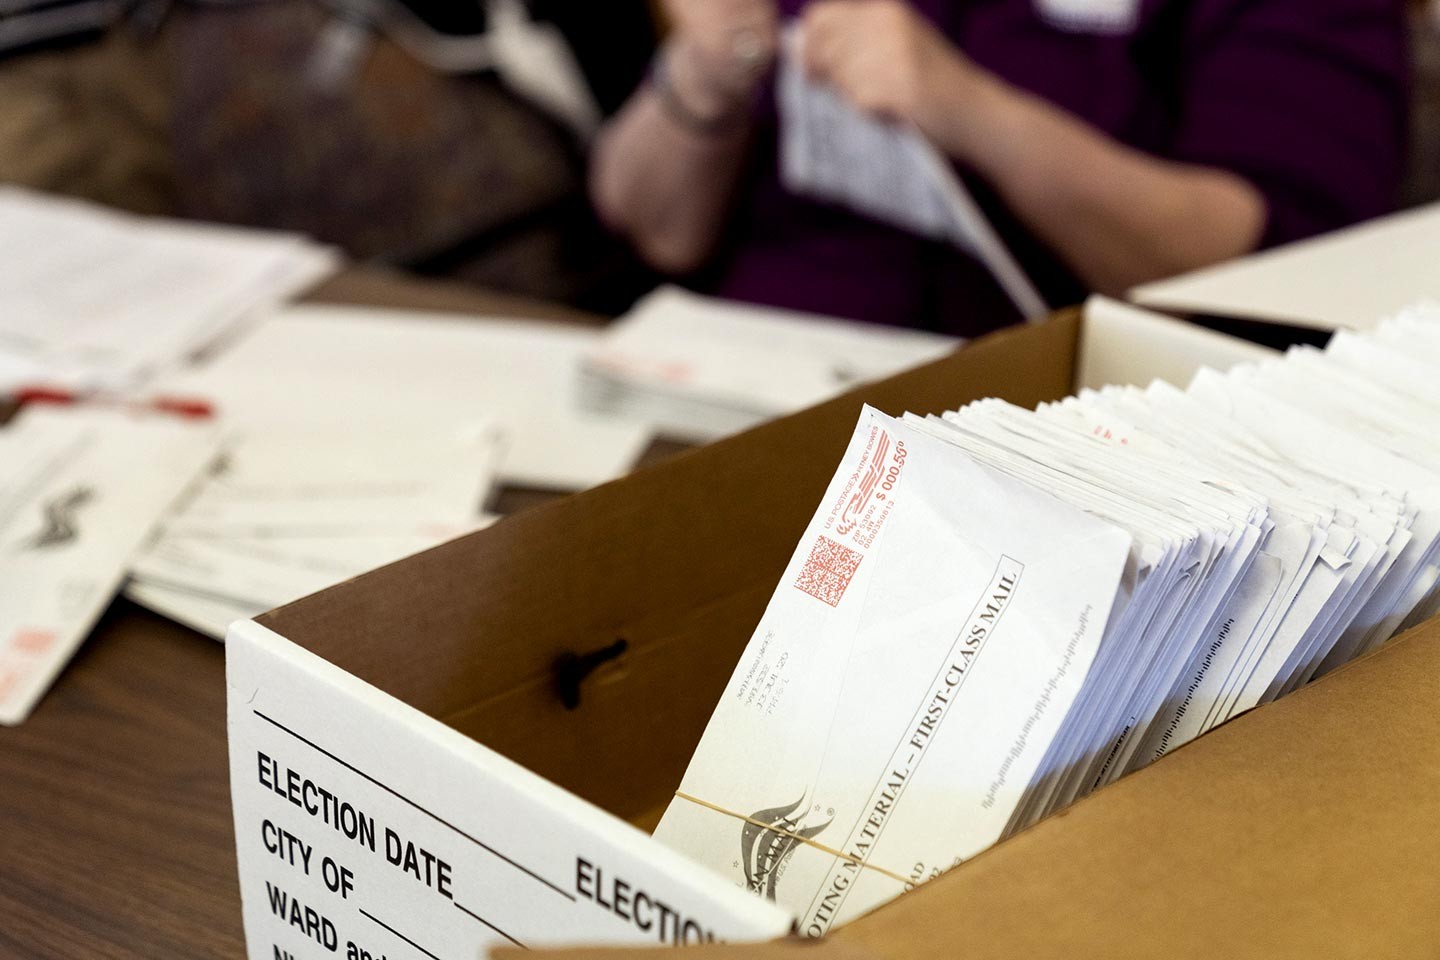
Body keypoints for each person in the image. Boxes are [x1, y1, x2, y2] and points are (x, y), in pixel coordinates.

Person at [590, 0, 1410, 334]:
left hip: (1043, 413)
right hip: (738, 375)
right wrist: (708, 65)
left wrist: (974, 114)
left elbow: (1274, 265)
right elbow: (654, 229)